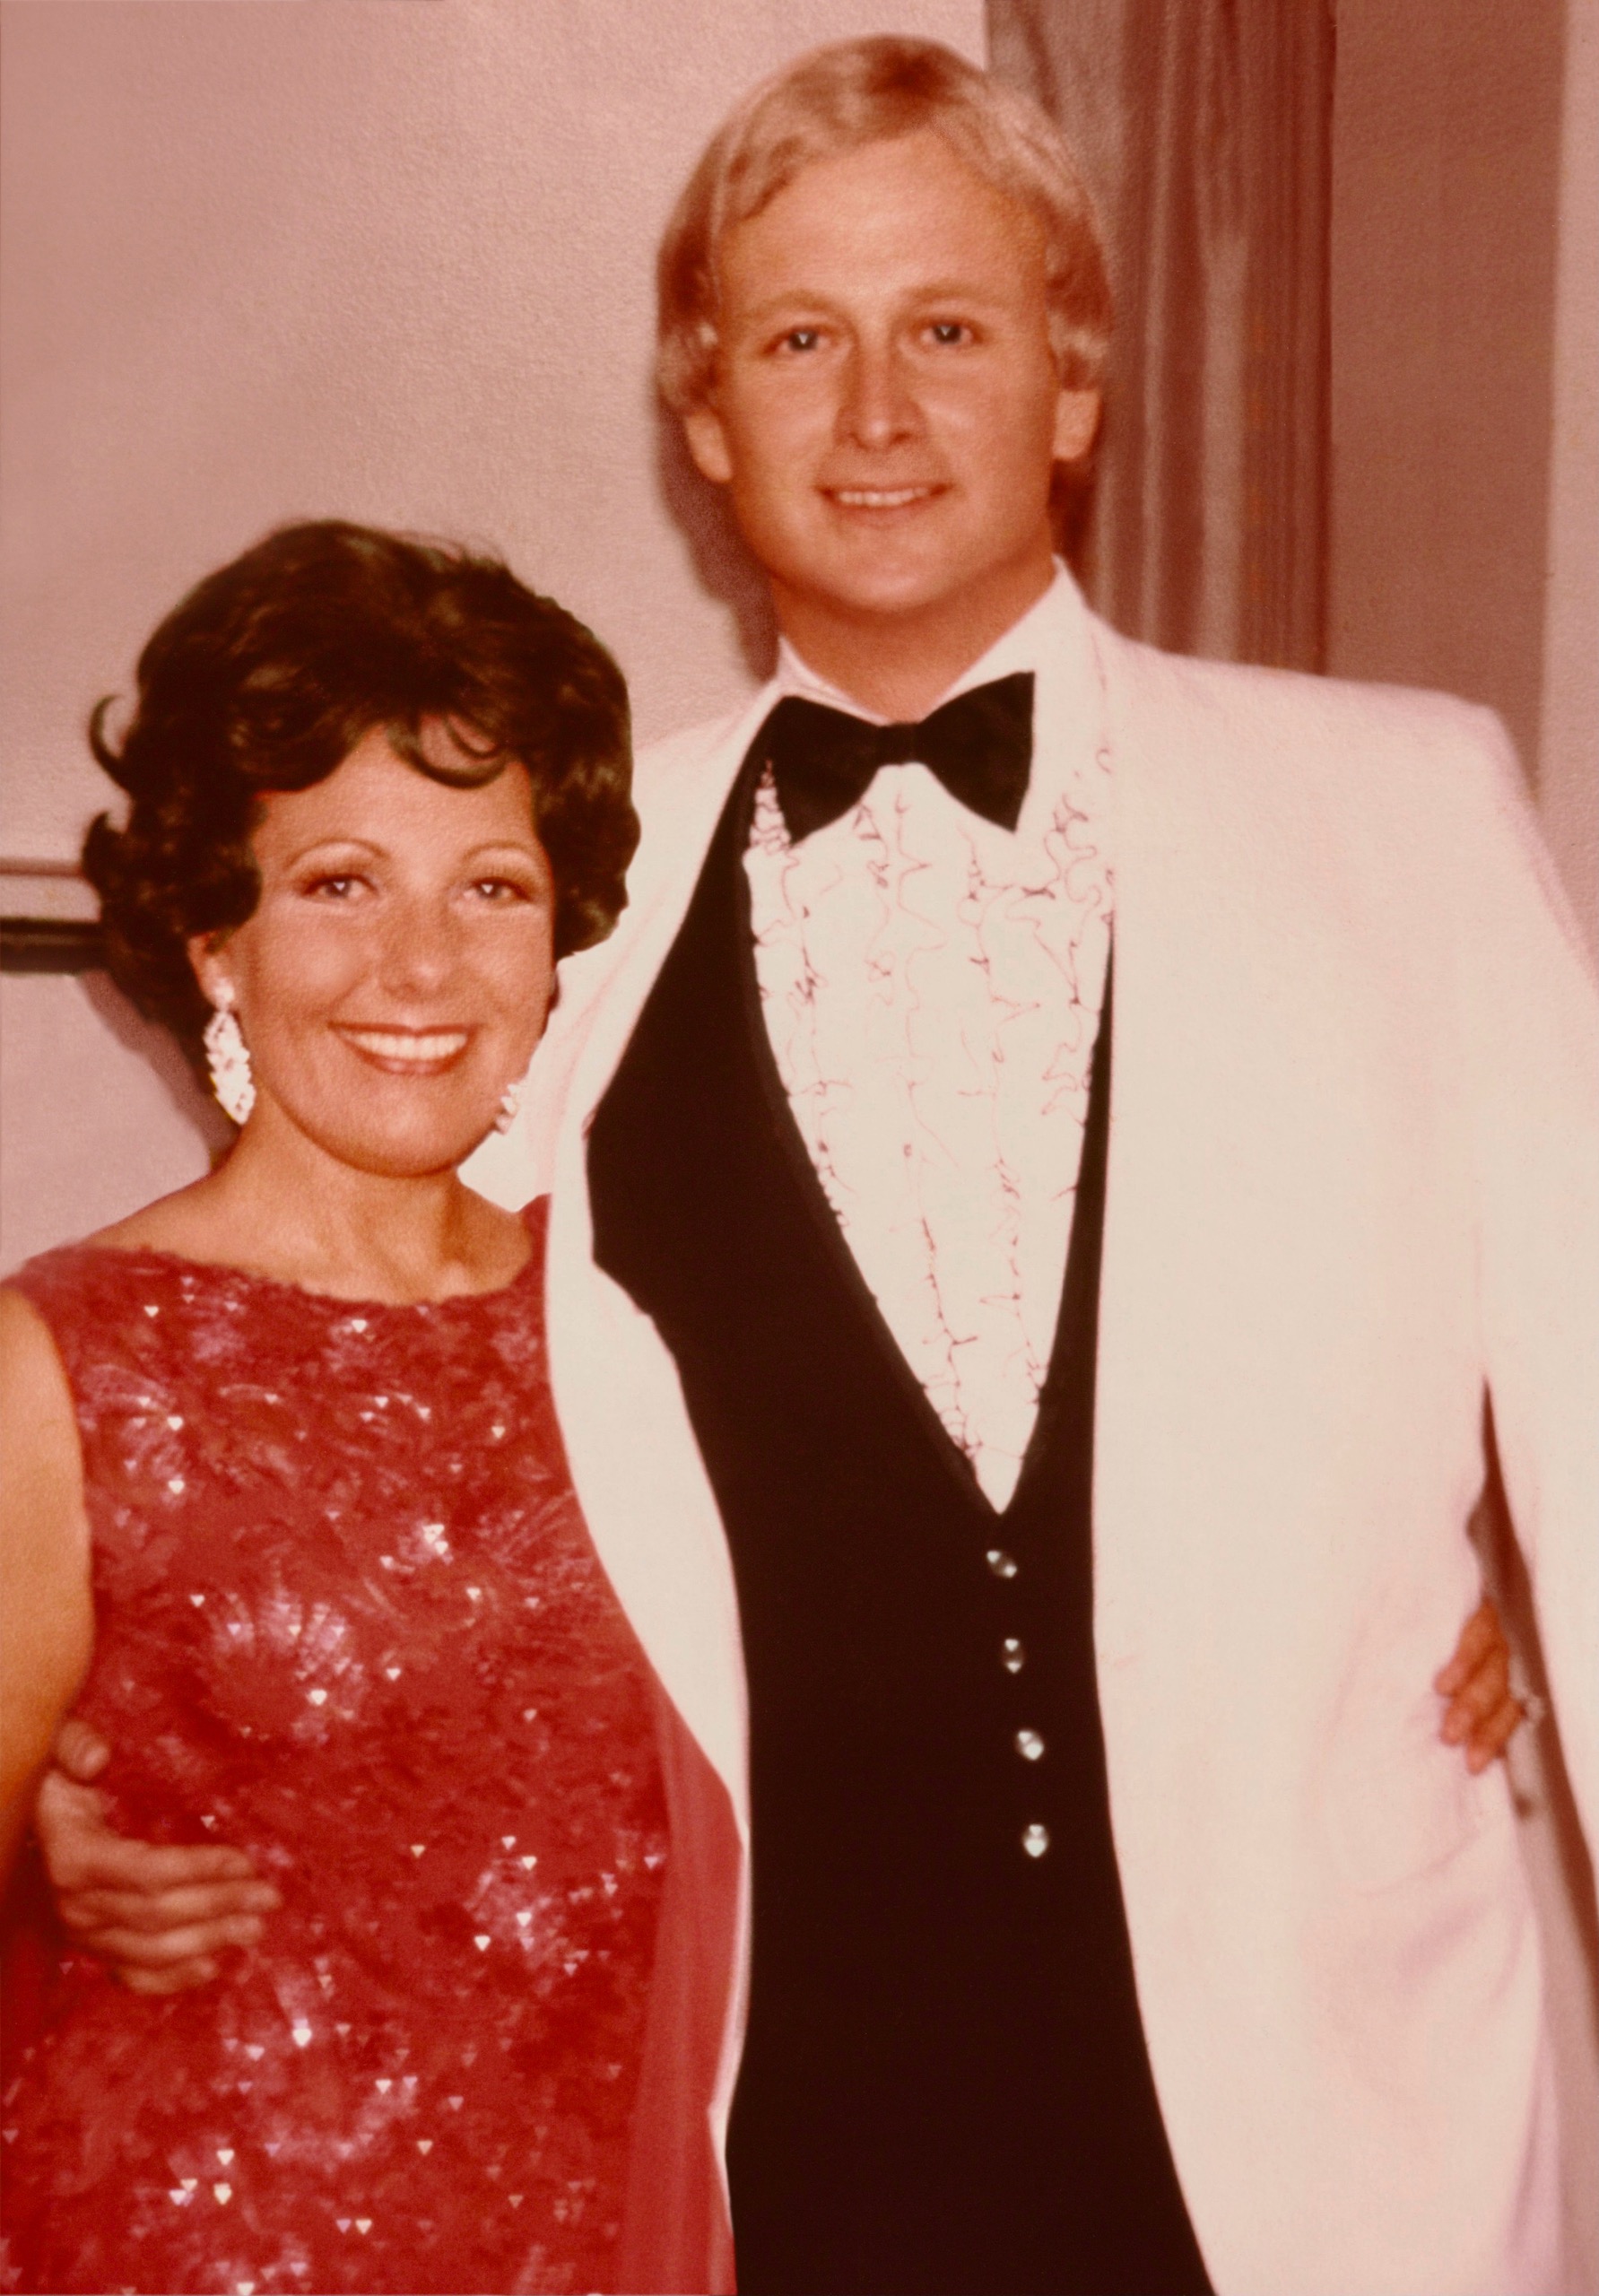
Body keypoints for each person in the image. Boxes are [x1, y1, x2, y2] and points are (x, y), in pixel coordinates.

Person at [23, 36, 1586, 2296]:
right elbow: (356, 1368)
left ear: (1070, 385)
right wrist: (88, 1791)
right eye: (795, 340)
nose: (872, 416)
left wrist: (1502, 1604)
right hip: (788, 2129)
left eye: (945, 331)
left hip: (1334, 2122)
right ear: (702, 416)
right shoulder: (554, 879)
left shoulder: (1407, 811)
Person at [0, 520, 737, 2296]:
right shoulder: (62, 1361)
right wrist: (38, 1874)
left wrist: (1467, 1616)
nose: (421, 966)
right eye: (338, 880)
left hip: (602, 2238)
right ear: (216, 938)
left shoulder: (650, 1327)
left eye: (488, 885)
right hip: (184, 2242)